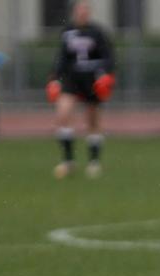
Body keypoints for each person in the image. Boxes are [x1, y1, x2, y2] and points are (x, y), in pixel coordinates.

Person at [47, 0, 116, 179]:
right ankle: (68, 161)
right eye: (79, 10)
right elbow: (61, 58)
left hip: (92, 79)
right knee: (63, 114)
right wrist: (54, 78)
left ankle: (94, 162)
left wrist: (106, 75)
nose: (82, 13)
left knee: (92, 121)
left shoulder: (97, 32)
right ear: (74, 12)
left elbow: (108, 56)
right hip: (71, 78)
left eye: (85, 10)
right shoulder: (67, 32)